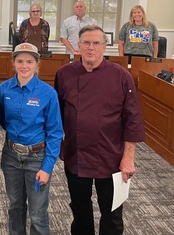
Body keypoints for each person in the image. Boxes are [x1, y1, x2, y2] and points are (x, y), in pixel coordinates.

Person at [54, 24, 145, 235]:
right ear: (78, 46)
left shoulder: (121, 76)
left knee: (112, 215)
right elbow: (56, 115)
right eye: (86, 43)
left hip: (111, 156)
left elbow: (133, 119)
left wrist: (128, 157)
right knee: (80, 211)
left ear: (105, 47)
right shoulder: (64, 74)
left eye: (96, 43)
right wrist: (58, 146)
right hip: (76, 155)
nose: (91, 48)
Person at [0, 43, 63, 235]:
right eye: (19, 61)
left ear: (37, 64)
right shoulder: (3, 90)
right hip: (10, 157)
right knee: (15, 206)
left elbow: (55, 132)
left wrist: (47, 167)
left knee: (37, 212)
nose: (24, 65)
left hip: (37, 158)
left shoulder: (48, 93)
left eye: (29, 61)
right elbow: (0, 119)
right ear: (13, 62)